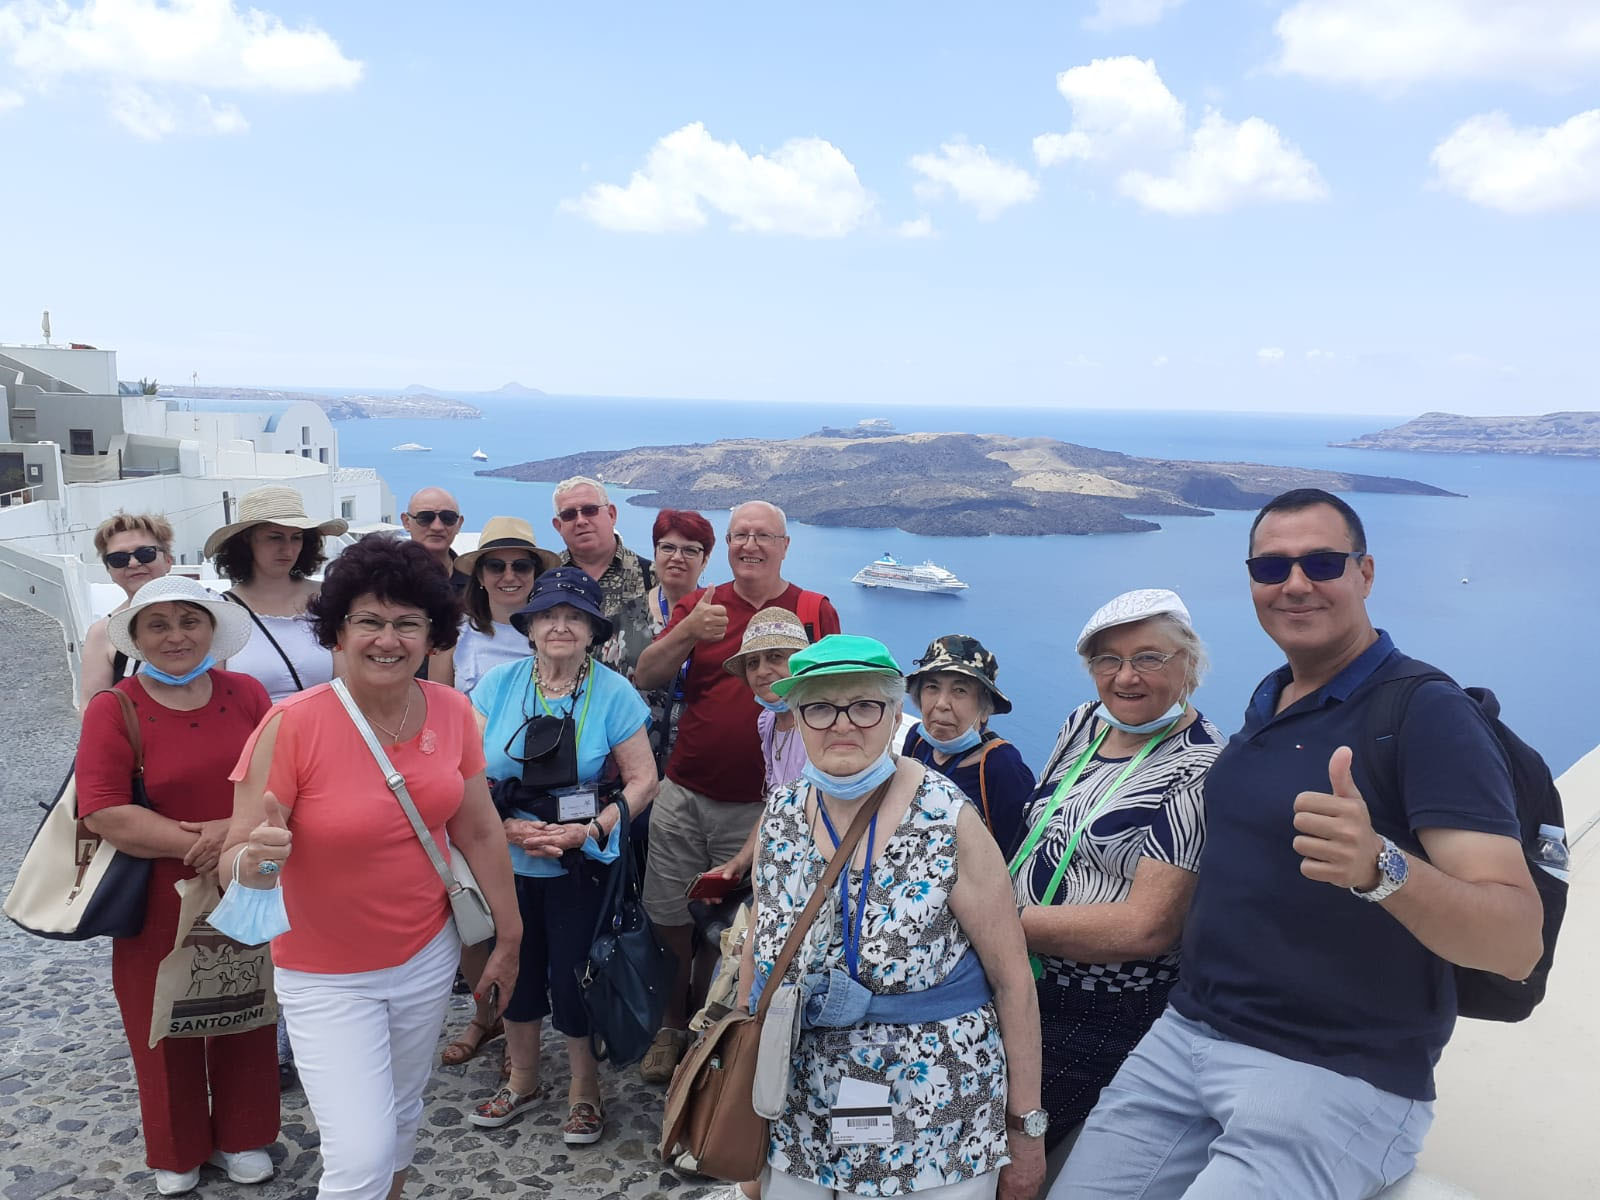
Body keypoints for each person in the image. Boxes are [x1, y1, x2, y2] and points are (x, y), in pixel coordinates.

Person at [1054, 490, 1543, 1199]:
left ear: (1365, 573)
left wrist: (1384, 868)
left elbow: (1515, 942)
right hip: (1185, 1039)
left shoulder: (1426, 714)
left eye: (1321, 561)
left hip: (1331, 1074)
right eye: (1271, 567)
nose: (1295, 584)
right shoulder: (1271, 700)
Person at [222, 534, 522, 1200]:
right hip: (324, 975)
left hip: (424, 956)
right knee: (358, 1157)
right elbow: (233, 859)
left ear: (431, 635)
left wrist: (509, 934)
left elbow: (476, 827)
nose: (388, 639)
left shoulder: (450, 711)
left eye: (407, 623)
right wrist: (256, 859)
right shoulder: (291, 725)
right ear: (338, 630)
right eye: (370, 621)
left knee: (400, 1118)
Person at [735, 634, 1046, 1200]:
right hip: (796, 1110)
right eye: (820, 707)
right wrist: (740, 1099)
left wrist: (1027, 1133)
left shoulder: (947, 819)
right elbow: (759, 956)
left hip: (936, 1120)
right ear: (798, 717)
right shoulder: (779, 815)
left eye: (864, 706)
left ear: (891, 715)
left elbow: (1013, 981)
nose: (842, 724)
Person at [76, 576, 278, 1196]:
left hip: (245, 881)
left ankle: (244, 1134)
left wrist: (229, 834)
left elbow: (283, 782)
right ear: (135, 638)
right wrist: (200, 842)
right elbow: (102, 809)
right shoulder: (117, 707)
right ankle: (176, 1146)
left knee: (247, 1005)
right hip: (156, 891)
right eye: (156, 625)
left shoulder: (246, 694)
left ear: (211, 630)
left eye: (188, 621)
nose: (176, 636)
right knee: (159, 1018)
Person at [633, 500, 840, 1083]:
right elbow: (646, 675)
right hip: (686, 791)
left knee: (742, 933)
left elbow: (836, 695)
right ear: (726, 544)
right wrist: (688, 632)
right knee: (670, 916)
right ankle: (675, 1027)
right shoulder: (701, 603)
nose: (750, 545)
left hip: (765, 808)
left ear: (784, 545)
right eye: (739, 535)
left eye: (762, 536)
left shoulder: (812, 610)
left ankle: (716, 1036)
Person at [1008, 590, 1221, 1154]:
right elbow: (1044, 829)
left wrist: (996, 922)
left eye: (1149, 658)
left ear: (1190, 664)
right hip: (1015, 978)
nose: (1125, 677)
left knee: (999, 1148)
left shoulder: (1201, 766)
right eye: (1108, 660)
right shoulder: (1084, 724)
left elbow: (1147, 927)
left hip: (1097, 1006)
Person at [464, 566, 658, 1142]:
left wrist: (591, 831)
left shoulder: (615, 691)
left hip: (580, 861)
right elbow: (465, 772)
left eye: (575, 617)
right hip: (504, 859)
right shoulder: (498, 686)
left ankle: (583, 1088)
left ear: (594, 630)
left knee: (576, 972)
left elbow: (643, 779)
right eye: (549, 614)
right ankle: (522, 1078)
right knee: (515, 969)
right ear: (529, 625)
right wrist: (506, 830)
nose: (561, 626)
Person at [205, 485, 348, 703]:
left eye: (296, 538)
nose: (288, 549)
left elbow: (348, 684)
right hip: (253, 734)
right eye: (275, 537)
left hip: (322, 730)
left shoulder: (328, 599)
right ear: (247, 540)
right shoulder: (222, 610)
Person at [902, 634, 1036, 852]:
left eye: (960, 691)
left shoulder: (1002, 766)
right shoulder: (917, 741)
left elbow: (1019, 854)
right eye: (932, 687)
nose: (942, 703)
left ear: (984, 708)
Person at [613, 508, 716, 770]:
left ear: (705, 560)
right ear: (655, 552)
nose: (677, 558)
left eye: (690, 550)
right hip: (634, 760)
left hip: (704, 763)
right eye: (667, 547)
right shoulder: (623, 618)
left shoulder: (718, 616)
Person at [429, 516, 559, 695]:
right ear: (480, 576)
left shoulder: (558, 632)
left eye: (521, 566)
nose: (509, 576)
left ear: (535, 573)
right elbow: (438, 705)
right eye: (495, 566)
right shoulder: (453, 632)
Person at [549, 476, 655, 675]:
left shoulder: (653, 578)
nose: (581, 521)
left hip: (633, 703)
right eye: (569, 515)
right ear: (558, 525)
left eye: (590, 510)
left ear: (612, 514)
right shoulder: (546, 579)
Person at [79, 511, 175, 707]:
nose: (133, 563)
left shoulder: (205, 614)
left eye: (145, 553)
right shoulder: (102, 633)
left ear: (168, 560)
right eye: (118, 559)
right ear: (109, 571)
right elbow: (93, 708)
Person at [401, 486, 467, 590]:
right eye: (425, 518)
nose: (437, 527)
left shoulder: (475, 584)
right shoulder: (383, 577)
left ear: (459, 524)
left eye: (448, 518)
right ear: (406, 522)